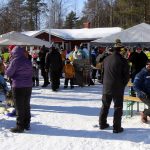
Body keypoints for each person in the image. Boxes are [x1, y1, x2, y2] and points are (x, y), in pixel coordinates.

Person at [99, 39, 130, 133]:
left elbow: (102, 73)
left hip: (107, 87)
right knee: (118, 107)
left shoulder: (106, 59)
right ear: (120, 50)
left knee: (105, 106)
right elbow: (126, 76)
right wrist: (122, 85)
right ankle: (116, 127)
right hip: (117, 87)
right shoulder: (123, 61)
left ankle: (102, 124)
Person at [6, 46, 33, 133]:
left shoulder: (15, 61)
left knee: (19, 106)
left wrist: (7, 66)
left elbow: (9, 73)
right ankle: (27, 124)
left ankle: (19, 126)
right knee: (26, 105)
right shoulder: (27, 60)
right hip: (28, 86)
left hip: (18, 86)